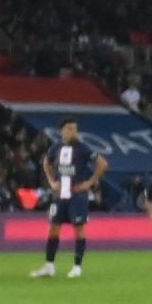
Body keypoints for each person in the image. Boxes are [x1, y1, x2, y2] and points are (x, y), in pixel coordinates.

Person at [32, 119, 108, 279]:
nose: (73, 132)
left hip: (77, 195)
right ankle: (49, 266)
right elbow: (46, 161)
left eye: (75, 129)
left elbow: (102, 164)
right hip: (60, 195)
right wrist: (52, 182)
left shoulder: (83, 148)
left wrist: (89, 183)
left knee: (79, 228)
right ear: (62, 131)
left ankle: (77, 266)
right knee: (54, 228)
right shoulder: (56, 148)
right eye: (69, 128)